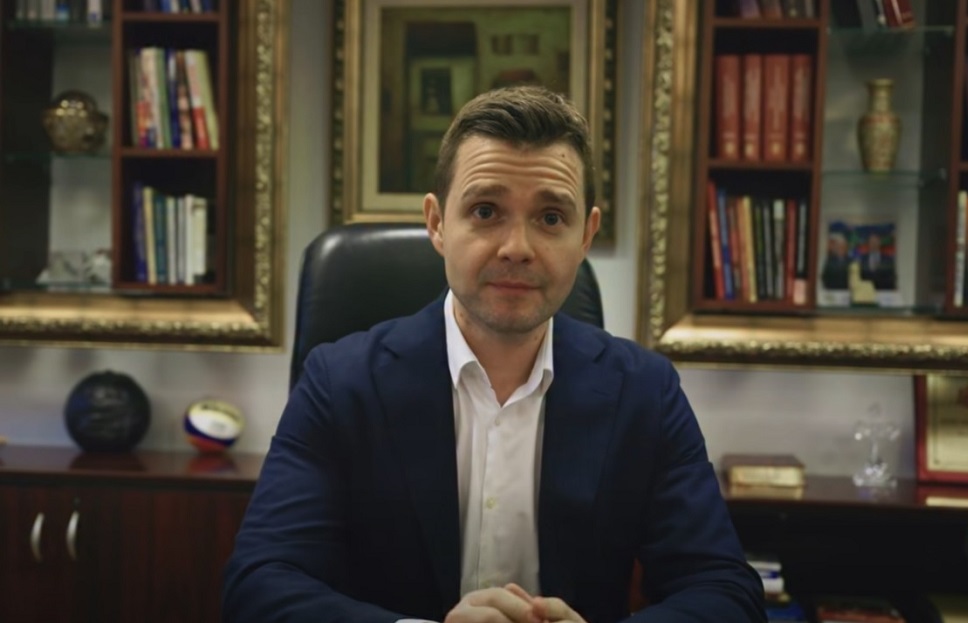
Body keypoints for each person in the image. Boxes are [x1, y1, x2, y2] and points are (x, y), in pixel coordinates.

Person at [222, 85, 766, 623]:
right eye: (486, 211)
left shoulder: (645, 392)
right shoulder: (339, 383)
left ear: (586, 235)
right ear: (437, 223)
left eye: (550, 218)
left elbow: (725, 592)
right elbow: (258, 586)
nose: (517, 248)